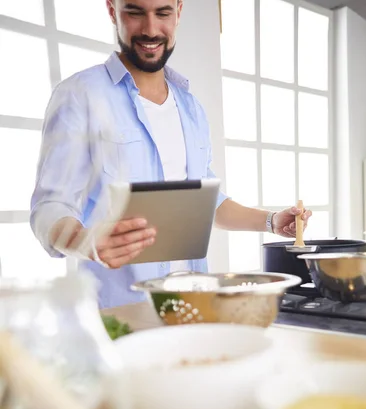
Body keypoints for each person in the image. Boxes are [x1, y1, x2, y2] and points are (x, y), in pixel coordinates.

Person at [30, 0, 312, 309]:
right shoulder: (79, 94)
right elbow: (49, 208)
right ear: (112, 10)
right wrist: (86, 243)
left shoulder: (191, 107)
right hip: (119, 313)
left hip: (193, 307)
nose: (151, 29)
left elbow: (207, 205)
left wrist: (272, 221)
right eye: (135, 12)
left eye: (162, 12)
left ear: (178, 11)